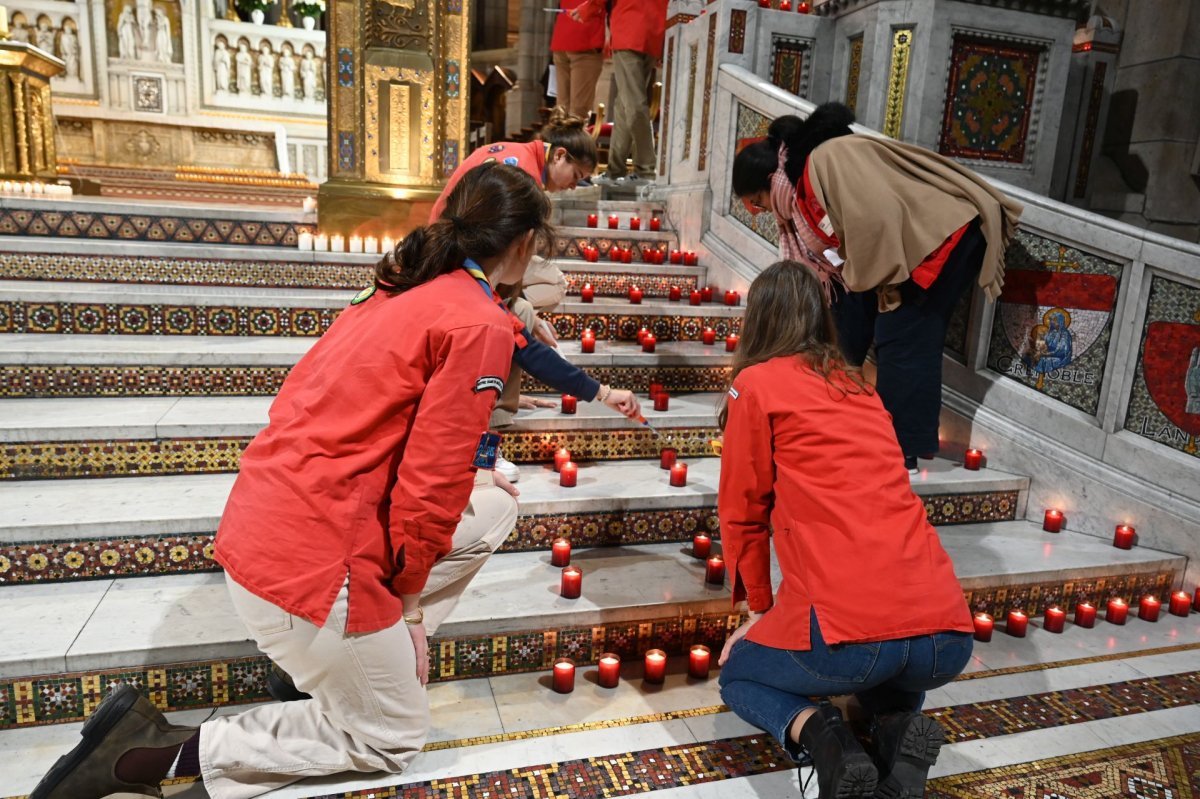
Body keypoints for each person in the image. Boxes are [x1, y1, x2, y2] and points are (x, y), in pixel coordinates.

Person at [29, 163, 555, 799]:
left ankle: (347, 667)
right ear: (526, 242)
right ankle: (148, 758)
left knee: (494, 503)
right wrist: (411, 609)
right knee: (391, 736)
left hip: (260, 535)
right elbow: (431, 487)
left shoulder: (392, 292)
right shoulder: (478, 323)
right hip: (313, 567)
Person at [715, 260, 975, 799]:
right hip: (947, 638)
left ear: (758, 320)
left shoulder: (755, 384)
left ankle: (826, 740)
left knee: (739, 674)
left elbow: (743, 509)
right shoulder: (861, 387)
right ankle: (900, 728)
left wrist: (759, 613)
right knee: (885, 666)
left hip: (854, 640)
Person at [731, 103, 1023, 472]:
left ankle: (901, 454)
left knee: (902, 336)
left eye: (758, 203)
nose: (768, 213)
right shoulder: (805, 178)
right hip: (913, 244)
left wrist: (884, 287)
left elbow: (876, 221)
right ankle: (840, 417)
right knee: (848, 317)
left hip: (940, 236)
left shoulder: (823, 162)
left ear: (768, 179)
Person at [431, 109, 641, 482]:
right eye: (577, 176)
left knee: (520, 318)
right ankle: (488, 444)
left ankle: (498, 414)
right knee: (515, 325)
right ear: (518, 244)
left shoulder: (465, 289)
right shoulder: (520, 178)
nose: (575, 186)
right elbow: (527, 349)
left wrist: (602, 392)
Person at [572, 0, 667, 183]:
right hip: (653, 31)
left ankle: (645, 170)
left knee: (633, 104)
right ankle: (615, 171)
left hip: (629, 26)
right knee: (624, 105)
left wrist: (587, 9)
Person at [550, 0, 605, 119]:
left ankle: (558, 137)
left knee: (562, 109)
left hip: (562, 36)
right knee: (578, 113)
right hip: (585, 36)